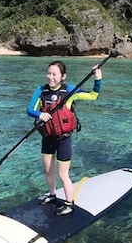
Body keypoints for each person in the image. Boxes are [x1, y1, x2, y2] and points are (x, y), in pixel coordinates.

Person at [27, 60, 102, 216]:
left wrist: (98, 79)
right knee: (48, 171)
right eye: (49, 73)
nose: (50, 77)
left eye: (54, 74)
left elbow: (93, 96)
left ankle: (69, 203)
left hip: (63, 139)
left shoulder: (69, 91)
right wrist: (40, 114)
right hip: (47, 138)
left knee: (63, 174)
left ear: (63, 76)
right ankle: (52, 195)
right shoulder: (41, 90)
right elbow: (30, 109)